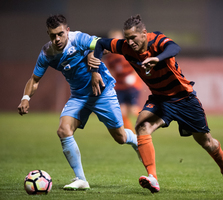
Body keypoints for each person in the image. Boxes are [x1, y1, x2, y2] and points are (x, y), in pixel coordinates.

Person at [88, 14, 223, 194]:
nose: (130, 42)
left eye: (133, 38)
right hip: (160, 98)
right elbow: (101, 44)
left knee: (207, 142)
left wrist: (157, 59)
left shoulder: (157, 41)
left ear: (144, 34)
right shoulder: (125, 47)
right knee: (142, 127)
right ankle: (153, 178)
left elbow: (175, 47)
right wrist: (95, 71)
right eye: (127, 38)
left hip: (184, 99)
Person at [17, 14, 139, 190]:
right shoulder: (47, 53)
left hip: (102, 92)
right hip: (78, 97)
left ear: (67, 30)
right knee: (63, 130)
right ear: (48, 34)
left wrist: (91, 54)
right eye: (53, 35)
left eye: (60, 33)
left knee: (120, 137)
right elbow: (34, 80)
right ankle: (81, 179)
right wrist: (26, 98)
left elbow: (103, 45)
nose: (57, 39)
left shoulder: (78, 38)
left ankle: (134, 139)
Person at [102, 30, 143, 131]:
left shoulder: (130, 52)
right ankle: (130, 131)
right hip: (120, 86)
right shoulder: (110, 57)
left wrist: (132, 76)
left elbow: (139, 66)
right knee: (121, 111)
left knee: (133, 110)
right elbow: (111, 71)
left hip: (132, 85)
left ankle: (147, 120)